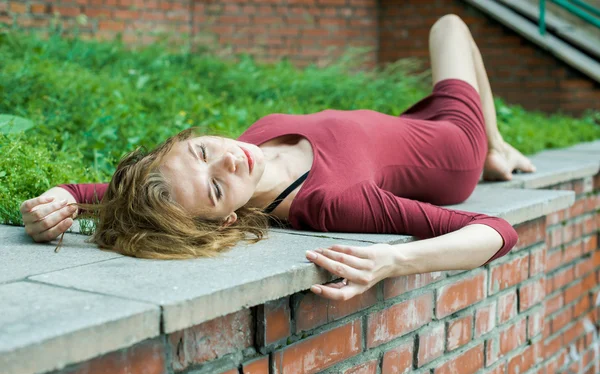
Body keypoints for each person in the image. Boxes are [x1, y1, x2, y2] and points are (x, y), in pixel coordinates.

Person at [20, 15, 535, 301]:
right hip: (452, 149)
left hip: (413, 124)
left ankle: (497, 143)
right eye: (217, 188)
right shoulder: (333, 201)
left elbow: (114, 196)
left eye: (203, 150)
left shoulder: (242, 152)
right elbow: (496, 229)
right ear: (225, 216)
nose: (229, 161)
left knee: (448, 24)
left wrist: (58, 201)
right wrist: (393, 261)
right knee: (448, 26)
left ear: (185, 141)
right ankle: (488, 145)